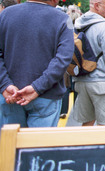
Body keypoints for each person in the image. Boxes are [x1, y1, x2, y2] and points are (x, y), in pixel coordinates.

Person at [0, 0, 74, 130]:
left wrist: (5, 84)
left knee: (11, 145)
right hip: (46, 94)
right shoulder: (62, 19)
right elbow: (63, 58)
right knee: (38, 147)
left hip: (11, 94)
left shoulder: (5, 15)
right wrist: (37, 87)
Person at [70, 0, 105, 126]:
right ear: (96, 6)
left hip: (82, 80)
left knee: (87, 123)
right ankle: (100, 147)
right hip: (103, 82)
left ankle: (84, 146)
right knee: (103, 126)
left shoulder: (78, 24)